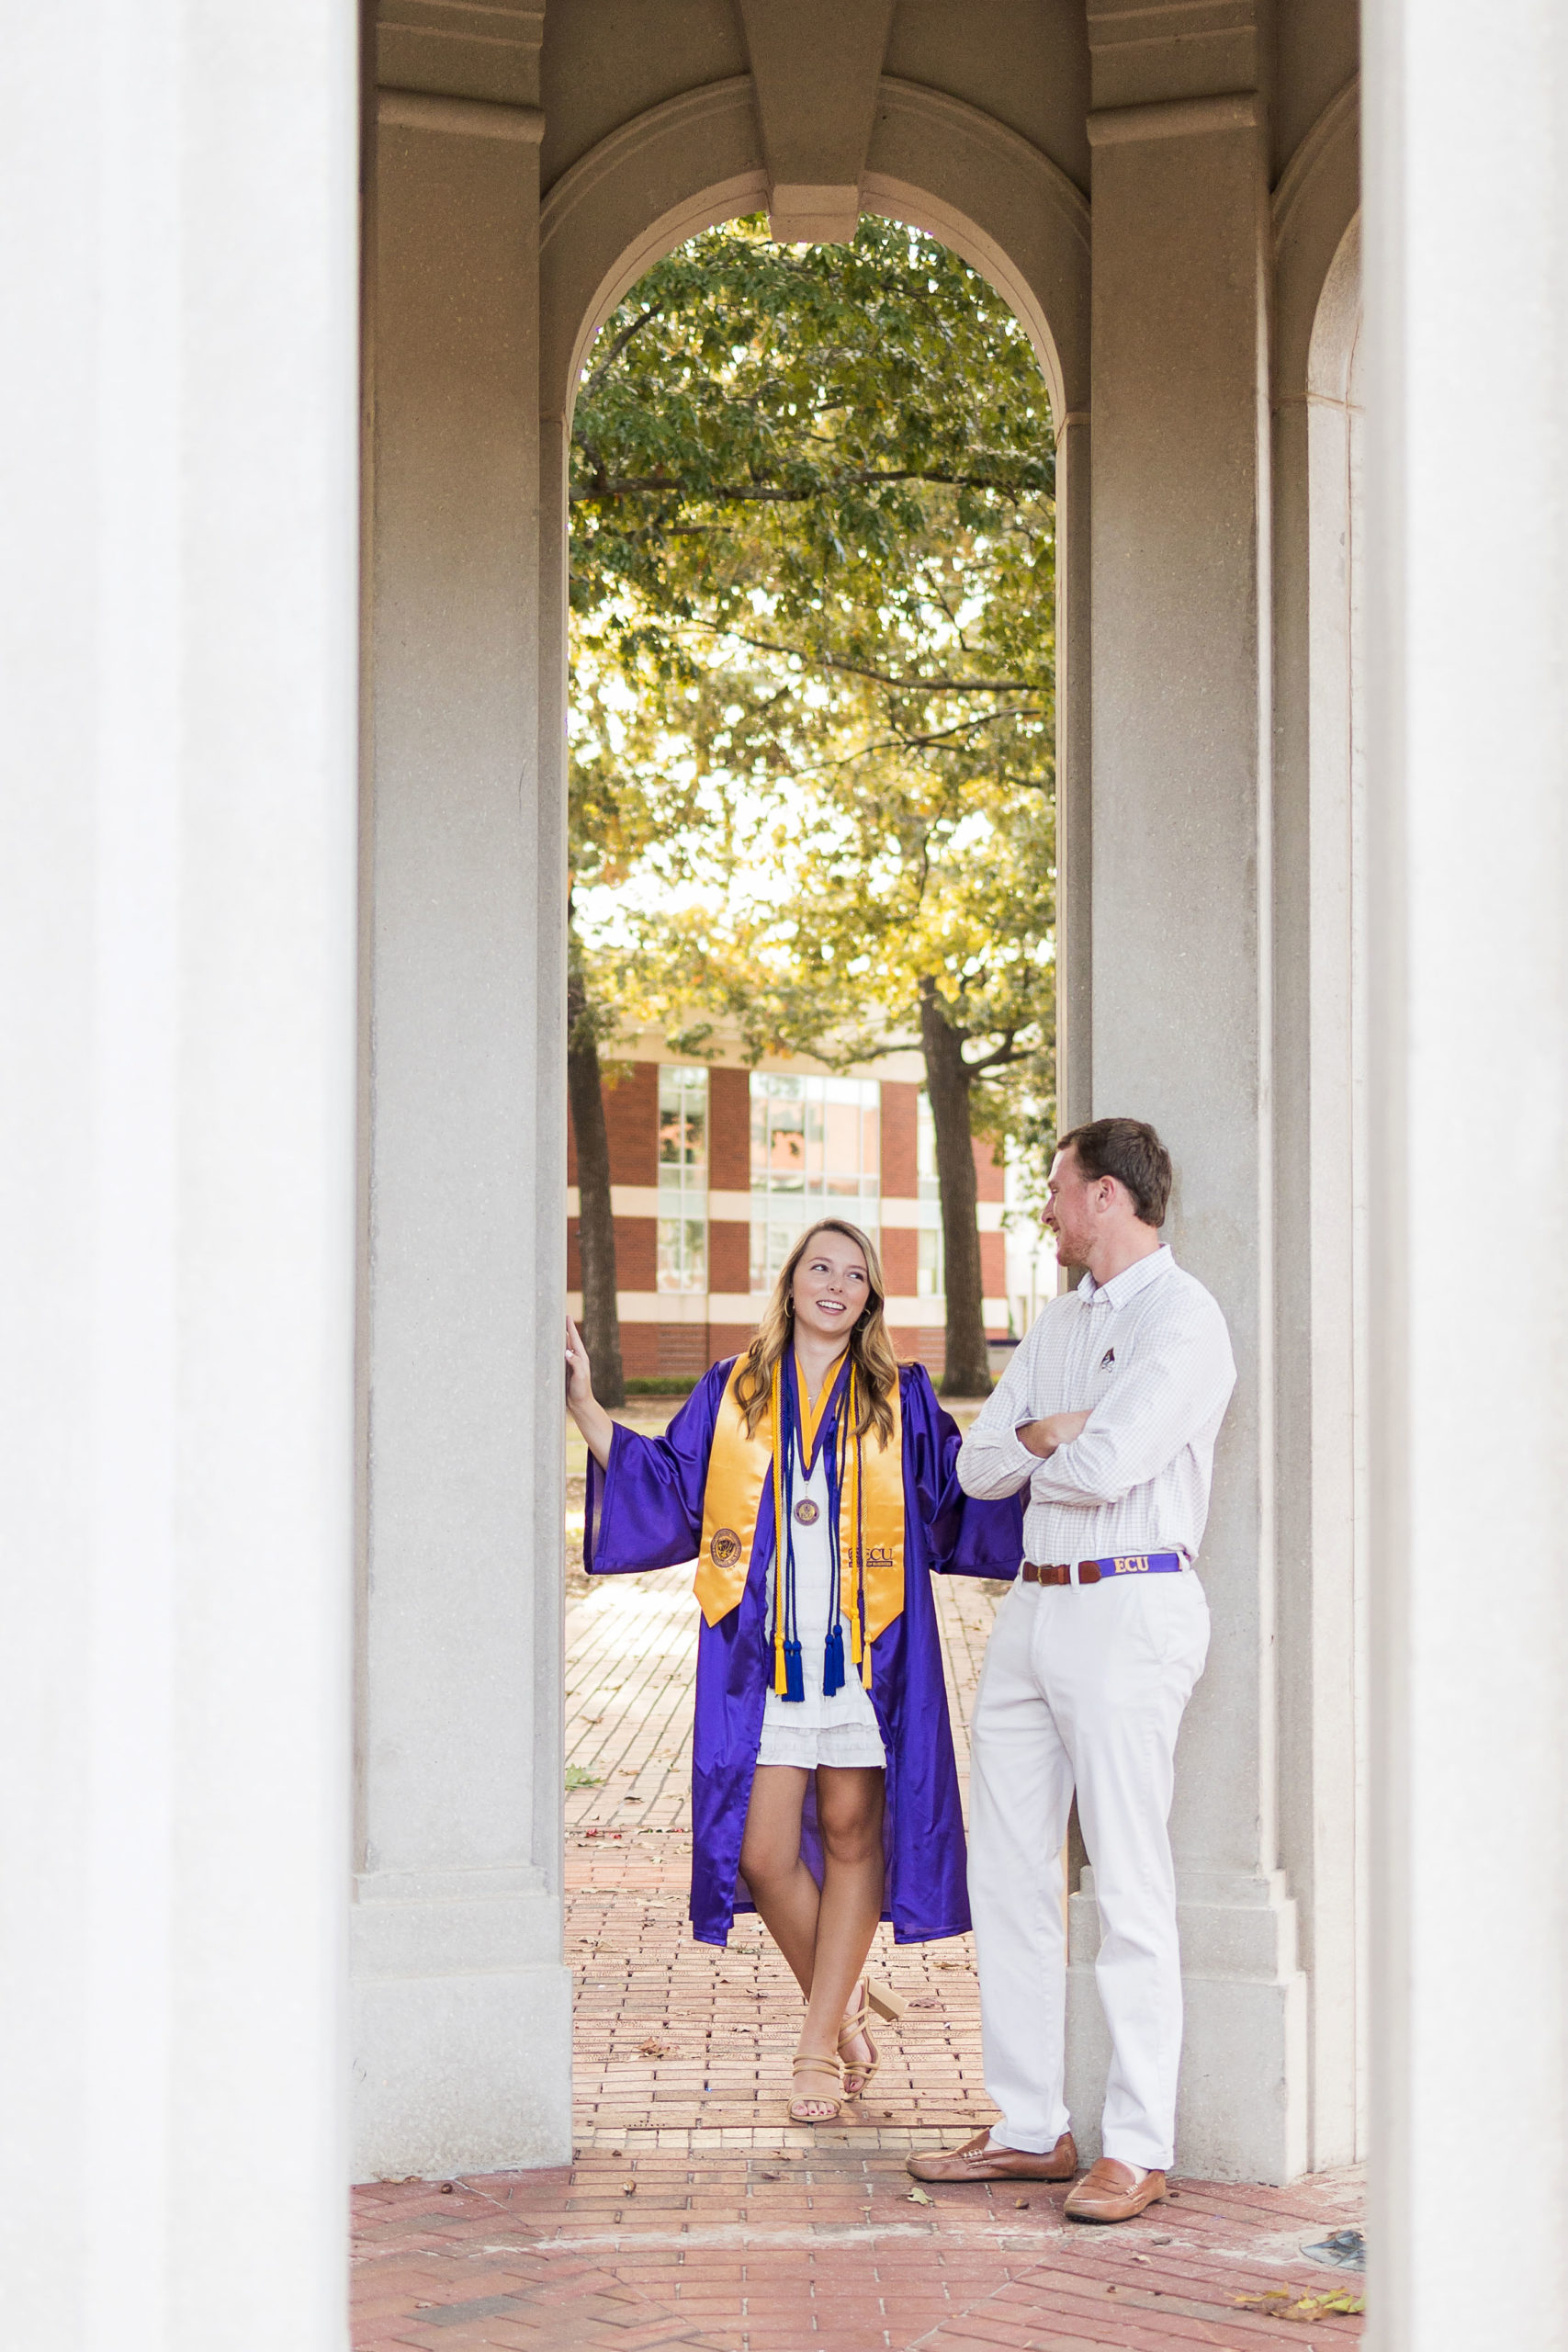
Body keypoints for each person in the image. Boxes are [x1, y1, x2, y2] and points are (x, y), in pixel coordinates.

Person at [567, 1216, 1021, 2123]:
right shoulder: (734, 1391)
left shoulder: (901, 1397)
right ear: (790, 1281)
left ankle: (818, 2044)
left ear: (870, 1298)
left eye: (855, 1274)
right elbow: (667, 1484)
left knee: (854, 1831)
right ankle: (845, 2000)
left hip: (867, 1655)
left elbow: (962, 1495)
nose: (835, 1283)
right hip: (764, 1659)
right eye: (820, 1265)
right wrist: (582, 1404)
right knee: (764, 1851)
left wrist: (1045, 1443)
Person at [908, 1118, 1235, 2222]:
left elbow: (1107, 1465)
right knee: (1008, 1872)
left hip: (1133, 1603)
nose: (1043, 1206)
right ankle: (1029, 2126)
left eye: (1055, 1189)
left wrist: (1055, 1437)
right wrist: (1058, 1429)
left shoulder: (1188, 1321)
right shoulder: (1058, 1322)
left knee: (1129, 1877)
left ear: (1106, 1195)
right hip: (1033, 1617)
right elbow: (978, 1461)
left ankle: (1138, 2144)